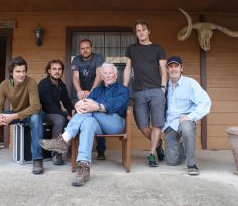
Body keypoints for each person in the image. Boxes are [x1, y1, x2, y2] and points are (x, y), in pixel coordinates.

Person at [39, 63, 129, 186]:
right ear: (101, 76)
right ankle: (83, 166)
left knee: (89, 107)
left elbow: (115, 105)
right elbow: (84, 105)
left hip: (115, 124)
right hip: (97, 126)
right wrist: (78, 105)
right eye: (105, 73)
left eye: (110, 73)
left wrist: (95, 106)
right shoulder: (97, 90)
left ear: (115, 75)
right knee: (87, 122)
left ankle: (64, 139)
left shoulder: (123, 90)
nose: (107, 75)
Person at [123, 19, 168, 167]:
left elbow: (163, 69)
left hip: (156, 90)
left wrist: (163, 87)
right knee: (143, 126)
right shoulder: (132, 49)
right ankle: (158, 142)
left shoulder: (158, 48)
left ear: (149, 31)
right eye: (138, 30)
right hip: (139, 92)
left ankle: (151, 154)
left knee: (156, 125)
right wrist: (124, 88)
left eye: (143, 29)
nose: (141, 32)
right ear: (136, 33)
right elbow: (128, 69)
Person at [163, 56, 211, 175]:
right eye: (171, 66)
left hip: (183, 120)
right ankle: (182, 149)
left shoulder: (190, 83)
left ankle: (191, 163)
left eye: (176, 66)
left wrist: (190, 116)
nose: (173, 69)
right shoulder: (164, 85)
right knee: (172, 161)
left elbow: (205, 101)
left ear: (181, 68)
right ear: (167, 69)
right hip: (169, 123)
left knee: (187, 129)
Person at [71, 38, 107, 160]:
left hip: (96, 91)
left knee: (98, 117)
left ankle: (101, 150)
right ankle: (76, 148)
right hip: (83, 93)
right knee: (81, 114)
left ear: (92, 48)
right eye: (82, 48)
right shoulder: (76, 59)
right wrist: (79, 91)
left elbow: (99, 75)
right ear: (79, 50)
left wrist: (91, 92)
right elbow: (75, 77)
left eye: (87, 48)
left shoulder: (98, 58)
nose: (85, 50)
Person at [38, 59, 74, 165]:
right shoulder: (43, 85)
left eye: (59, 69)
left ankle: (71, 149)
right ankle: (56, 153)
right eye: (54, 69)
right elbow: (50, 107)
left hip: (56, 112)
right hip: (44, 113)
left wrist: (74, 115)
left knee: (74, 120)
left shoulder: (61, 85)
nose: (57, 71)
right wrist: (67, 116)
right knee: (60, 120)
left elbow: (67, 103)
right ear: (49, 71)